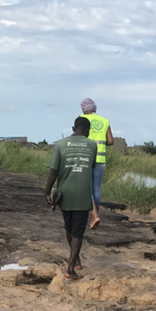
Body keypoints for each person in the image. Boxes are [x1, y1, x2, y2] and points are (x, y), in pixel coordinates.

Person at [45, 117, 97, 280]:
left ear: (74, 128)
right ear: (88, 131)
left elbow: (53, 171)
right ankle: (70, 269)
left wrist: (47, 191)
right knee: (78, 233)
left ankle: (76, 261)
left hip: (64, 193)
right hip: (82, 194)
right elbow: (91, 167)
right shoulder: (92, 145)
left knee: (69, 228)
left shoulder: (60, 145)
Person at [79, 98, 114, 229]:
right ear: (95, 108)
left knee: (86, 189)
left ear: (83, 109)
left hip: (86, 157)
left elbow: (78, 135)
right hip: (100, 159)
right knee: (96, 189)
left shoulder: (81, 119)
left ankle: (94, 217)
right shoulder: (105, 121)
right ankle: (94, 217)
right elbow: (110, 141)